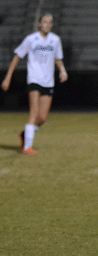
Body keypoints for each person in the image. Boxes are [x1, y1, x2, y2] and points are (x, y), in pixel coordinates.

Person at [1, 13, 68, 156]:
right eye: (44, 22)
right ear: (39, 24)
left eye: (50, 22)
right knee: (34, 112)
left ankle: (25, 134)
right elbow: (17, 56)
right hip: (34, 80)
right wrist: (8, 77)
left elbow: (57, 58)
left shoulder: (55, 40)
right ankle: (27, 147)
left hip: (48, 81)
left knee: (42, 118)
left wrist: (62, 70)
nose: (47, 24)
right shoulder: (31, 39)